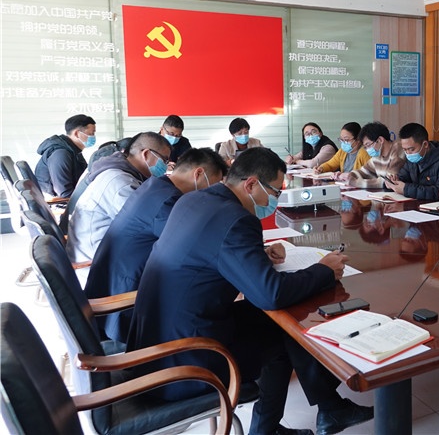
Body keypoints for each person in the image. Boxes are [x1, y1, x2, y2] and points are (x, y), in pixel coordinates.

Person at [126, 147, 373, 435]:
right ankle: (291, 422)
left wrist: (258, 255)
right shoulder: (237, 220)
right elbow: (271, 294)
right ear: (252, 184)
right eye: (275, 191)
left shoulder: (194, 199)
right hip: (187, 357)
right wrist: (324, 270)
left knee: (278, 325)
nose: (275, 200)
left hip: (157, 339)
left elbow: (210, 253)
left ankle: (328, 410)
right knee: (283, 333)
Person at [84, 148, 228, 343]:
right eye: (214, 184)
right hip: (125, 301)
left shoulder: (156, 186)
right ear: (198, 174)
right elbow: (195, 245)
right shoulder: (168, 202)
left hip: (113, 284)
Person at [67, 132, 172, 264]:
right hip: (94, 263)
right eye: (164, 160)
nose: (166, 166)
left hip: (103, 251)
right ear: (146, 154)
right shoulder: (121, 183)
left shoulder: (119, 172)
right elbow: (147, 226)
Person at [384, 122, 439, 200]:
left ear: (425, 144)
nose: (408, 153)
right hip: (421, 205)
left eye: (411, 149)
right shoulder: (412, 160)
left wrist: (406, 189)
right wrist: (393, 183)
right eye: (405, 150)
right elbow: (403, 178)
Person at [34, 114, 96, 198]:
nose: (93, 137)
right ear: (77, 134)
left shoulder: (74, 151)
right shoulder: (61, 154)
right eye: (91, 133)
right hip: (58, 201)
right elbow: (64, 193)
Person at [341, 121, 405, 188]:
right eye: (365, 147)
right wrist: (350, 176)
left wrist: (356, 183)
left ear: (380, 140)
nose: (367, 149)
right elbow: (364, 172)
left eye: (368, 145)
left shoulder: (398, 150)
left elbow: (388, 182)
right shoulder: (378, 154)